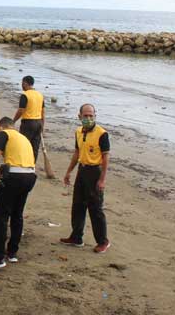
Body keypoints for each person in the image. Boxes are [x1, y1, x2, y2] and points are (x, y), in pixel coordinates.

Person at [0, 117, 37, 270]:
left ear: (1, 127)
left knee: (1, 216)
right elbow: (18, 162)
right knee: (17, 214)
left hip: (15, 178)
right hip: (30, 177)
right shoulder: (23, 138)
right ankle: (12, 252)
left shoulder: (4, 134)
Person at [60, 104, 111, 254]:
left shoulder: (102, 134)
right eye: (85, 115)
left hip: (95, 171)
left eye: (91, 115)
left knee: (95, 208)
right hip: (82, 170)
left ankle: (103, 241)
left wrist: (102, 179)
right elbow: (77, 152)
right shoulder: (78, 131)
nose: (88, 118)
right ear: (79, 116)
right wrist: (69, 171)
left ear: (95, 115)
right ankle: (76, 237)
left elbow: (106, 157)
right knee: (78, 205)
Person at [12, 76, 45, 162]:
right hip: (38, 122)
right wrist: (42, 125)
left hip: (28, 123)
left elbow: (21, 110)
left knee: (24, 144)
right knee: (35, 147)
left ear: (25, 83)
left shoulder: (25, 95)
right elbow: (43, 112)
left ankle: (24, 162)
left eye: (22, 83)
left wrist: (14, 120)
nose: (21, 85)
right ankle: (32, 164)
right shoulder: (40, 95)